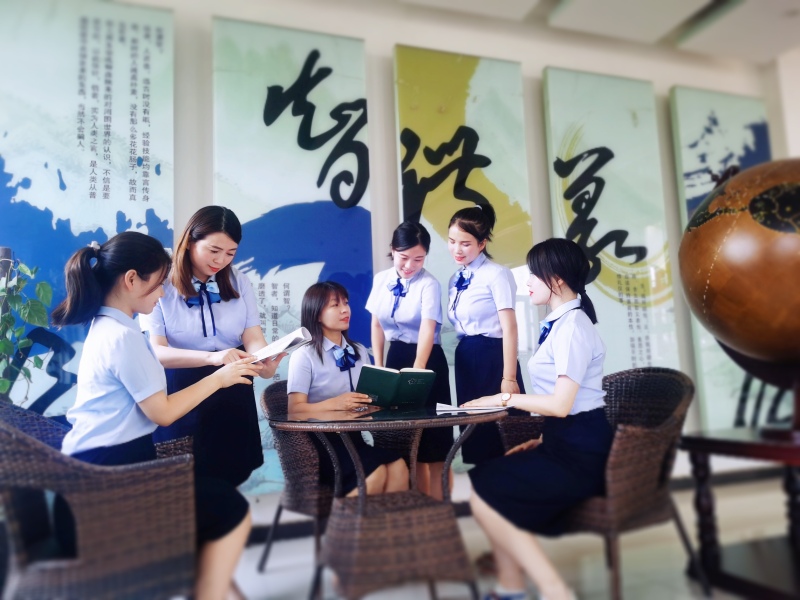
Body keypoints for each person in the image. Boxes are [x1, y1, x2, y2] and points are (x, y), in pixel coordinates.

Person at [51, 232, 258, 600]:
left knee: (220, 503)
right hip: (105, 484)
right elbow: (163, 412)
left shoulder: (109, 327)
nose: (163, 293)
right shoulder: (123, 337)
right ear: (131, 279)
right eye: (160, 283)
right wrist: (219, 378)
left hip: (95, 476)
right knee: (231, 510)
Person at [464, 238, 613, 600]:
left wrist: (502, 397)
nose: (527, 282)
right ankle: (512, 586)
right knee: (485, 483)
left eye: (533, 274)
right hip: (566, 441)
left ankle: (554, 590)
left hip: (584, 453)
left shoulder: (573, 326)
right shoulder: (562, 323)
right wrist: (544, 439)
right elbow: (569, 409)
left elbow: (562, 405)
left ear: (557, 279)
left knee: (487, 491)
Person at [140, 206, 284, 488]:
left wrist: (264, 361)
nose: (221, 260)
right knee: (184, 482)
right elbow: (158, 351)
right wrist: (213, 357)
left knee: (229, 479)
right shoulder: (161, 282)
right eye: (214, 250)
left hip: (234, 390)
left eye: (231, 253)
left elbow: (252, 336)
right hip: (182, 391)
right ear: (190, 241)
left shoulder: (238, 281)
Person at [288, 281, 409, 496]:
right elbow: (294, 409)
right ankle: (346, 518)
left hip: (355, 439)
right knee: (375, 473)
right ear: (316, 314)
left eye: (346, 303)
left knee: (398, 466)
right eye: (335, 305)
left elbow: (368, 399)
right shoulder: (304, 355)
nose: (345, 310)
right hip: (323, 446)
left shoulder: (359, 351)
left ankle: (385, 519)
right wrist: (336, 404)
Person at [366, 221, 452, 499]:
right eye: (404, 257)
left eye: (418, 259)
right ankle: (412, 506)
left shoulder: (429, 284)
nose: (409, 265)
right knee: (403, 440)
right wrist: (379, 366)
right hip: (396, 357)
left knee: (433, 444)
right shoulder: (381, 279)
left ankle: (439, 509)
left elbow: (428, 328)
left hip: (427, 360)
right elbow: (376, 325)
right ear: (393, 250)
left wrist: (418, 370)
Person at [447, 203, 525, 465]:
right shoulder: (456, 278)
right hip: (467, 358)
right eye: (452, 241)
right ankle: (485, 485)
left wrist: (509, 377)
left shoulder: (497, 274)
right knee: (476, 436)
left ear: (482, 243)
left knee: (503, 436)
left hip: (493, 358)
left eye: (465, 244)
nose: (457, 249)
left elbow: (510, 327)